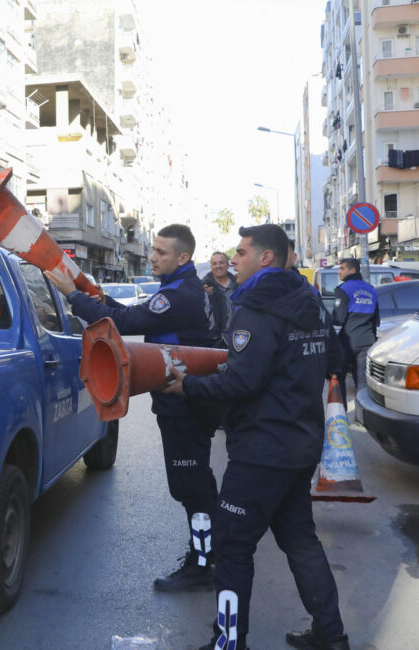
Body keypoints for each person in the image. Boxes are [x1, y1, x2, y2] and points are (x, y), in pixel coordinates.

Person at [162, 224, 348, 650]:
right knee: (299, 539)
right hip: (300, 446)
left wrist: (187, 386)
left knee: (231, 547)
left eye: (242, 252)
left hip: (262, 452)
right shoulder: (312, 302)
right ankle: (332, 638)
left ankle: (228, 643)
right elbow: (337, 360)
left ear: (266, 258)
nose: (234, 259)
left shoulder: (256, 307)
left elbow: (241, 382)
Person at [46, 224, 220, 592]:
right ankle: (205, 555)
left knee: (193, 487)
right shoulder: (182, 288)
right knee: (194, 485)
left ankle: (205, 563)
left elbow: (126, 324)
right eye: (153, 250)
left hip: (183, 403)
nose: (153, 256)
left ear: (183, 258)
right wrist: (94, 296)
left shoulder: (179, 295)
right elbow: (134, 313)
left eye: (160, 252)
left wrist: (73, 297)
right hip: (188, 398)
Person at [333, 258, 379, 391]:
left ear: (352, 270)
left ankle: (341, 411)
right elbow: (376, 320)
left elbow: (339, 319)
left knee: (338, 378)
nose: (338, 272)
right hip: (367, 341)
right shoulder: (371, 290)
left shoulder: (343, 289)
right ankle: (362, 411)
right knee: (362, 382)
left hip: (347, 342)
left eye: (342, 268)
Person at [202, 251, 237, 346]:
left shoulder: (239, 286)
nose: (218, 266)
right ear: (211, 266)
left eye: (221, 262)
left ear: (228, 265)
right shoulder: (202, 287)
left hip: (234, 339)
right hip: (211, 341)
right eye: (214, 263)